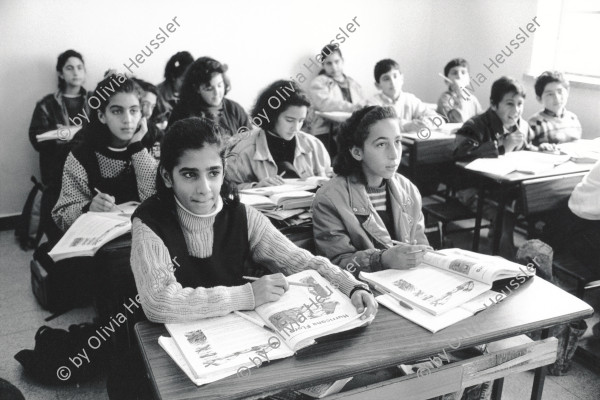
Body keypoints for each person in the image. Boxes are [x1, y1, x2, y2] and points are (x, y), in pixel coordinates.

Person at [129, 117, 377, 323]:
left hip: (235, 330)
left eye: (213, 173)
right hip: (173, 343)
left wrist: (350, 285)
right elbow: (159, 302)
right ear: (167, 176)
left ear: (224, 171)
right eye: (189, 175)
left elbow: (298, 261)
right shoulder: (150, 222)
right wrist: (247, 295)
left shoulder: (242, 216)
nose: (204, 188)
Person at [312, 106, 430, 274]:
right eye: (381, 144)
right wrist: (381, 259)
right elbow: (335, 265)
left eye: (397, 141)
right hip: (363, 292)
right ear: (357, 152)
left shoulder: (409, 190)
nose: (394, 154)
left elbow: (420, 244)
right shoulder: (329, 198)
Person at [52, 75, 157, 232]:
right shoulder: (82, 155)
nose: (127, 119)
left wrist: (136, 147)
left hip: (145, 234)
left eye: (134, 111)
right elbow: (61, 215)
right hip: (100, 241)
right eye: (117, 111)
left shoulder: (153, 144)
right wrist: (89, 207)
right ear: (102, 116)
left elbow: (155, 200)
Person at [28, 49, 92, 242]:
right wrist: (61, 135)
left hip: (87, 167)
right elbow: (35, 137)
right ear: (60, 73)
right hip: (56, 169)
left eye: (80, 68)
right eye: (70, 68)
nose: (76, 72)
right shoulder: (47, 104)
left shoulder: (94, 101)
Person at [227, 80, 331, 189]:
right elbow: (226, 189)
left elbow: (330, 179)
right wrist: (256, 186)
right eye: (289, 120)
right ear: (272, 115)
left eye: (301, 120)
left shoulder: (314, 144)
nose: (296, 128)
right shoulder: (244, 149)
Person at [454, 76, 534, 161]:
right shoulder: (473, 126)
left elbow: (528, 148)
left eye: (520, 104)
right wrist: (502, 149)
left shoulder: (524, 126)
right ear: (493, 105)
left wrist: (539, 148)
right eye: (510, 103)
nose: (516, 110)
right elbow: (461, 157)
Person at [168, 57, 249, 138]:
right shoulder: (182, 113)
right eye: (209, 89)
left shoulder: (235, 109)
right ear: (197, 89)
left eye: (220, 85)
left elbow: (250, 141)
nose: (216, 93)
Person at [309, 44, 366, 153]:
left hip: (352, 130)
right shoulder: (319, 82)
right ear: (323, 64)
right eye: (329, 63)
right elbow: (325, 104)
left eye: (336, 61)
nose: (334, 67)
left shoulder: (353, 83)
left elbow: (362, 104)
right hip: (326, 131)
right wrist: (352, 107)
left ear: (342, 61)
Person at [369, 59, 444, 133]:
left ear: (402, 78)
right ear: (378, 85)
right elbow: (379, 126)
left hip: (412, 143)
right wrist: (406, 126)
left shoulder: (410, 99)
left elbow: (438, 119)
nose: (392, 82)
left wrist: (426, 122)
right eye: (386, 79)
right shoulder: (373, 104)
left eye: (395, 76)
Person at [528, 71, 582, 150]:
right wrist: (538, 148)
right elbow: (525, 147)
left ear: (567, 92)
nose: (556, 98)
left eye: (560, 92)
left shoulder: (573, 118)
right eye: (550, 94)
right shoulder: (535, 123)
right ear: (539, 99)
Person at [436, 58, 483, 123]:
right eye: (455, 73)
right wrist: (459, 91)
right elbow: (458, 119)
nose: (459, 76)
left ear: (469, 80)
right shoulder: (445, 98)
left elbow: (481, 120)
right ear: (446, 81)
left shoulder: (473, 99)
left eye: (463, 72)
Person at [156, 51, 193, 125]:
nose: (187, 83)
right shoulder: (157, 94)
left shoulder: (194, 91)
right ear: (173, 77)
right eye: (183, 80)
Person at [131, 78, 164, 159]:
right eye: (144, 104)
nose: (149, 112)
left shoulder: (156, 134)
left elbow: (155, 168)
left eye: (152, 107)